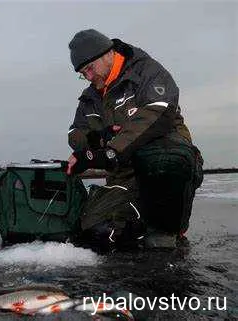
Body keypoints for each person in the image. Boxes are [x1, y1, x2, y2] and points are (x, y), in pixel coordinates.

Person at [66, 29, 203, 249]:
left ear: (107, 54)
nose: (88, 77)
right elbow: (75, 135)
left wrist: (112, 152)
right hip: (124, 177)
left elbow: (159, 112)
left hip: (163, 166)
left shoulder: (147, 72)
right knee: (94, 232)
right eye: (83, 73)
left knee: (166, 160)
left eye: (90, 68)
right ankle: (135, 225)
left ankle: (166, 231)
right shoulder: (90, 97)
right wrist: (100, 137)